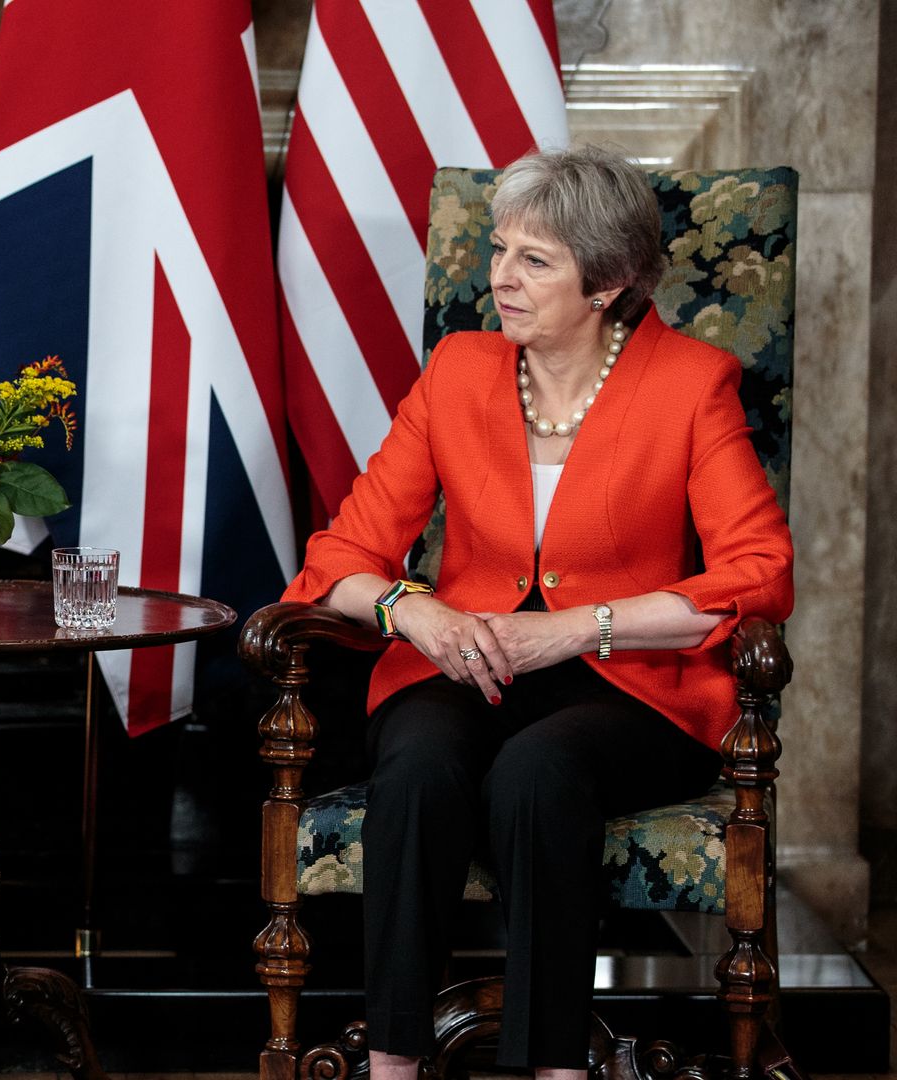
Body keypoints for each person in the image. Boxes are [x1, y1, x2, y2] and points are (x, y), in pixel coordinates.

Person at [279, 145, 793, 1076]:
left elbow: (759, 574)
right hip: (465, 663)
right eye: (500, 250)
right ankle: (394, 1064)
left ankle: (553, 1067)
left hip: (634, 688)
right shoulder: (458, 371)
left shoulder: (691, 385)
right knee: (418, 767)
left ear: (606, 285)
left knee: (537, 772)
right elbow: (338, 560)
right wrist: (416, 612)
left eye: (534, 260)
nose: (500, 278)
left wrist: (580, 626)